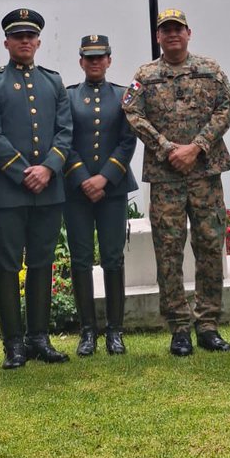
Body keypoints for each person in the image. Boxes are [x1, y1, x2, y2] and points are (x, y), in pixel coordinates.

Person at [123, 8, 230, 357]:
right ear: (158, 37)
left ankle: (208, 325)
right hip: (166, 177)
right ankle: (179, 328)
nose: (172, 34)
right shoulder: (145, 75)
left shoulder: (210, 69)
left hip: (205, 173)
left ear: (189, 33)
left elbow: (226, 107)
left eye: (178, 29)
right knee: (169, 252)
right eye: (166, 30)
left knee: (209, 246)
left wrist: (197, 147)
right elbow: (131, 112)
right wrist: (166, 147)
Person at [0, 8, 73, 368]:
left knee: (42, 263)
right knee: (7, 265)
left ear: (38, 42)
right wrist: (23, 173)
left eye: (30, 36)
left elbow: (65, 132)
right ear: (6, 42)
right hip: (8, 192)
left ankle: (39, 338)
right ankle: (13, 344)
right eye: (18, 36)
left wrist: (48, 169)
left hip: (48, 189)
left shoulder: (53, 82)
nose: (25, 41)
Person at [63, 33, 138, 357]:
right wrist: (84, 179)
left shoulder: (122, 96)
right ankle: (87, 331)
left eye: (100, 57)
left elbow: (128, 140)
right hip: (76, 191)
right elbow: (64, 140)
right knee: (80, 259)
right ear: (81, 61)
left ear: (109, 60)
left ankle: (115, 331)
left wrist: (104, 178)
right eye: (89, 58)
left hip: (113, 190)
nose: (95, 62)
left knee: (113, 258)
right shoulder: (68, 97)